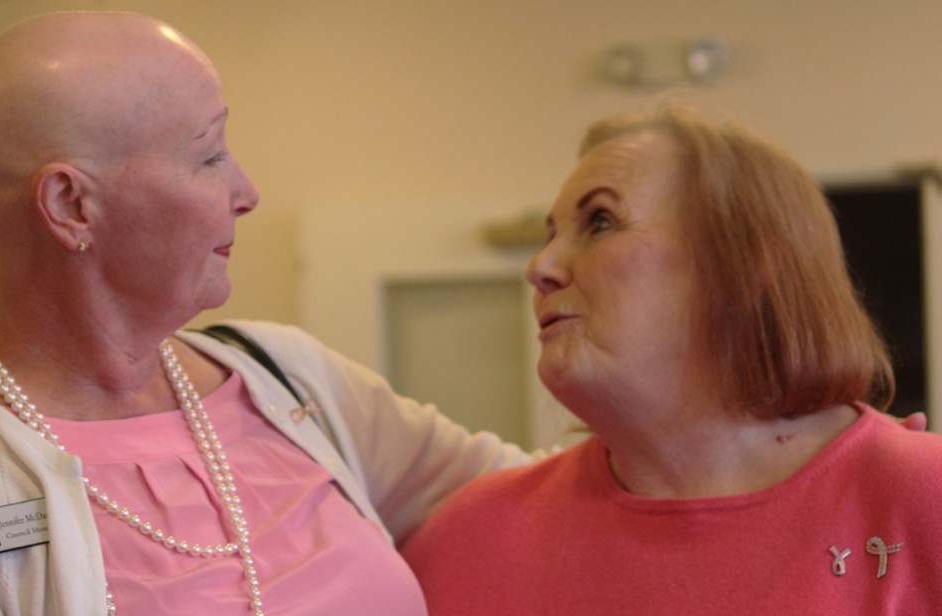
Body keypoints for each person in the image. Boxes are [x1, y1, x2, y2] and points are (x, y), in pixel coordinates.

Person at [0, 11, 533, 615]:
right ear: (71, 203)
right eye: (209, 157)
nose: (247, 193)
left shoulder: (289, 376)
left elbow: (541, 499)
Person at [401, 105, 942, 613]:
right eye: (550, 236)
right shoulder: (470, 535)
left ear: (746, 266)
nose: (540, 266)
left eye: (600, 222)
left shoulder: (921, 498)